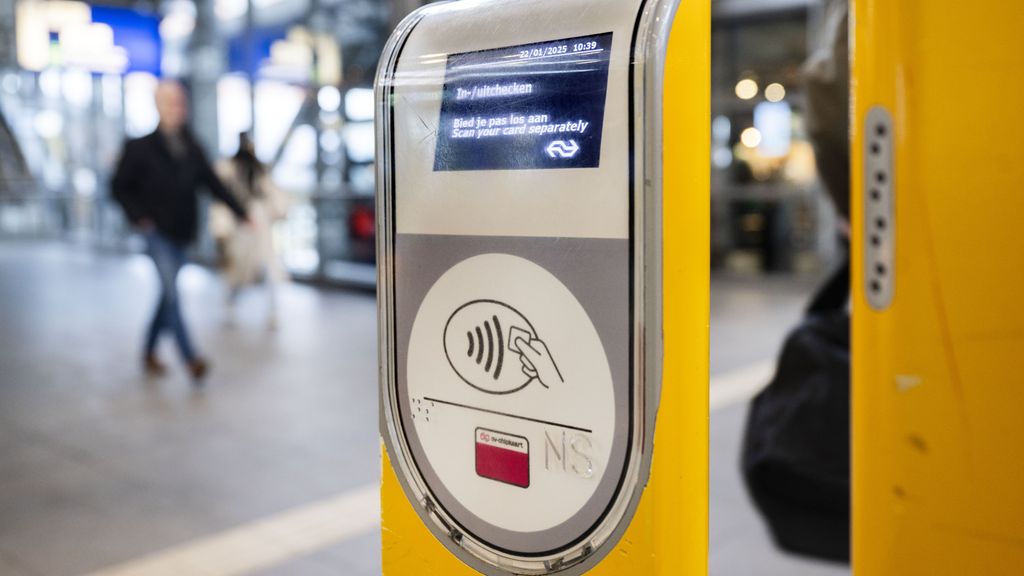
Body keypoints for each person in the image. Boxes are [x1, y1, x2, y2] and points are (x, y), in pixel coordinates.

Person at [111, 81, 247, 381]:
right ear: (158, 105)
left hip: (182, 233)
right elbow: (118, 187)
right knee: (172, 294)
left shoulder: (192, 147)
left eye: (180, 103)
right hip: (155, 232)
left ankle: (148, 351)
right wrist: (140, 217)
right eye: (170, 102)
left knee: (166, 295)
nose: (177, 108)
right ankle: (191, 358)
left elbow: (213, 184)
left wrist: (242, 212)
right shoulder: (139, 147)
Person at [212, 133, 289, 329]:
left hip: (259, 225)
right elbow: (221, 200)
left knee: (268, 268)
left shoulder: (259, 170)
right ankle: (230, 303)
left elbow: (272, 194)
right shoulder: (227, 169)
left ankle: (272, 312)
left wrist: (278, 210)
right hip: (239, 227)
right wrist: (221, 229)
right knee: (238, 272)